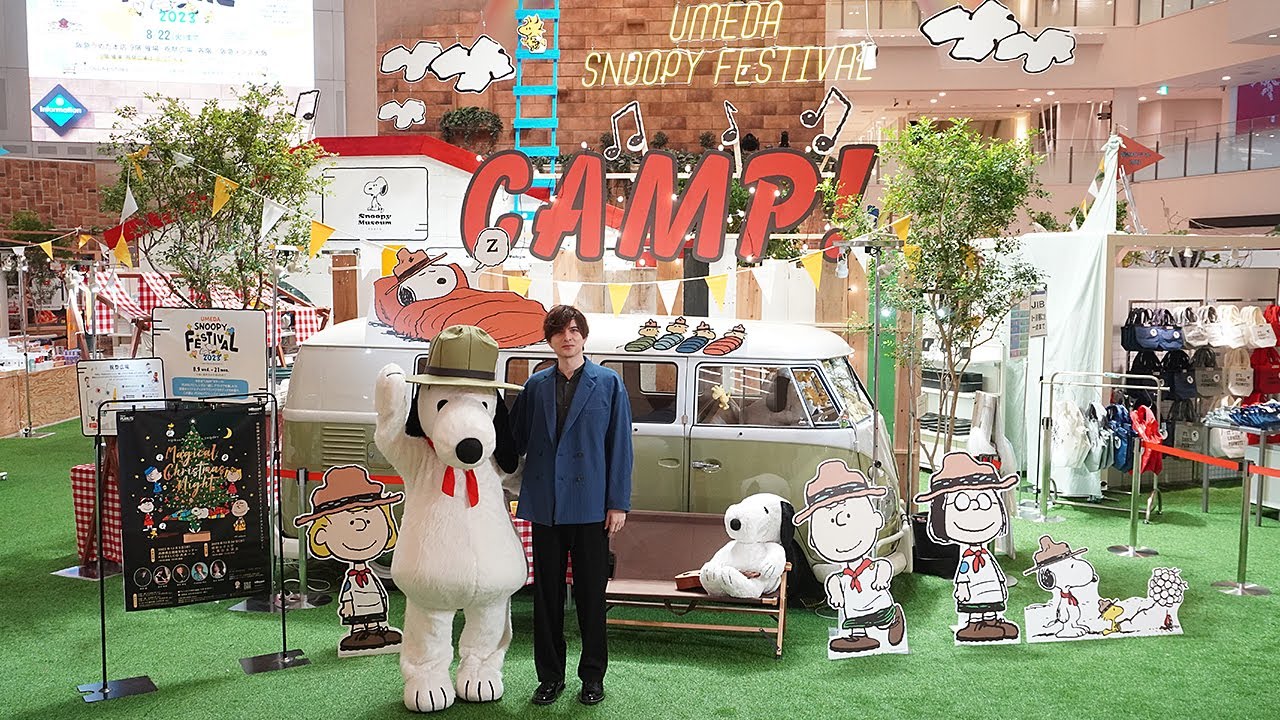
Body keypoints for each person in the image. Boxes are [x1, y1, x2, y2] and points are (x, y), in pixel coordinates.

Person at [510, 305, 633, 706]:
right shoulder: (535, 386)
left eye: (575, 330)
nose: (568, 337)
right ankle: (549, 678)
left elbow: (620, 447)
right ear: (549, 339)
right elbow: (514, 439)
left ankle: (593, 677)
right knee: (545, 598)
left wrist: (618, 504)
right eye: (560, 331)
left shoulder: (609, 383)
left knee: (591, 597)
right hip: (545, 506)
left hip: (592, 507)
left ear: (584, 336)